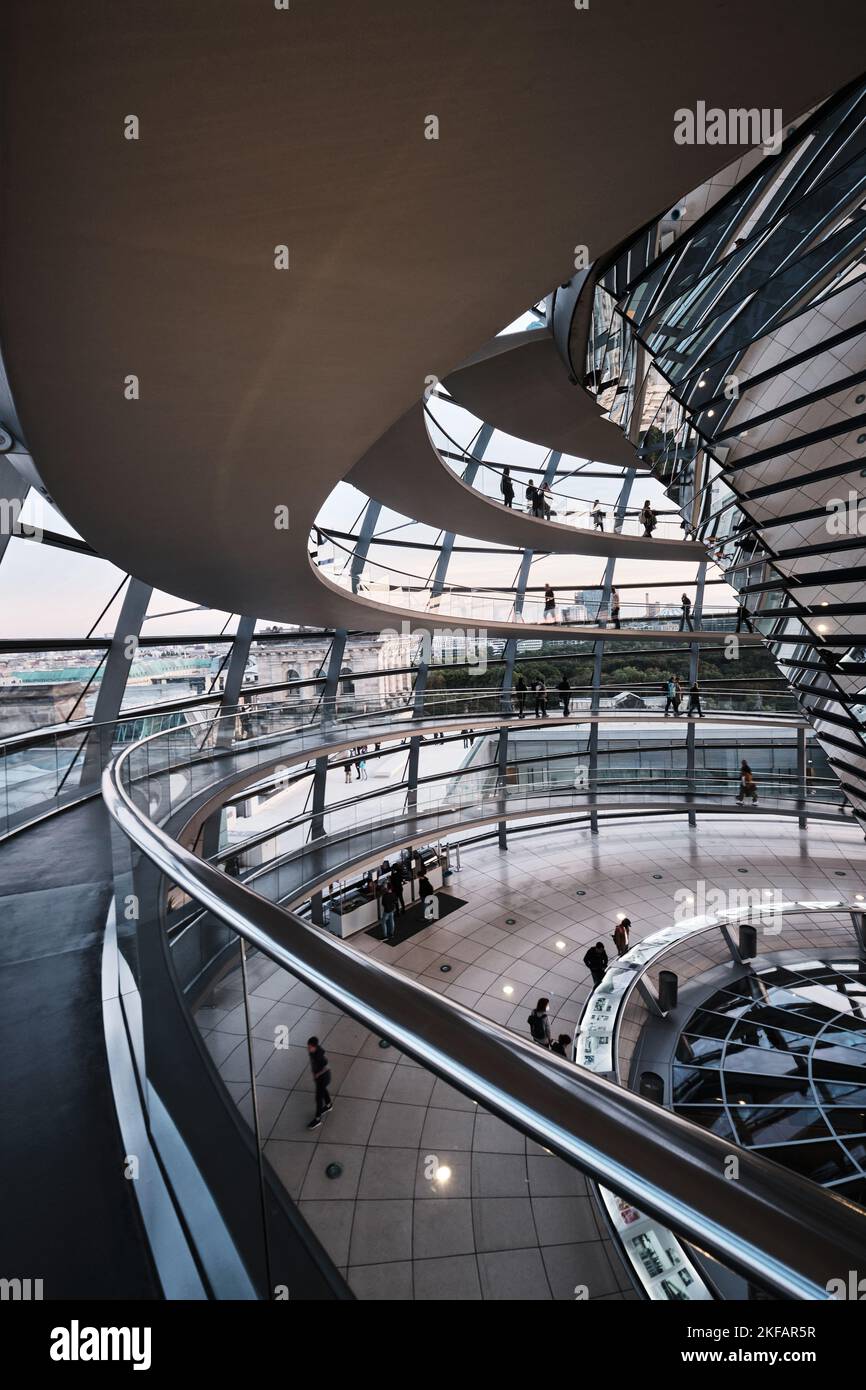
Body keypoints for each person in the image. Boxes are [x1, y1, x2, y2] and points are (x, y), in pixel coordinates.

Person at [306, 1037, 333, 1129]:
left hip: (323, 1079)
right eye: (308, 1047)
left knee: (318, 1099)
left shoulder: (320, 1056)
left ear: (315, 1047)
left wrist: (317, 1074)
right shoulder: (312, 1052)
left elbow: (327, 1067)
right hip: (319, 1079)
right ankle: (329, 1105)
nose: (308, 1049)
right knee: (323, 1090)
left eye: (310, 1047)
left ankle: (317, 1119)